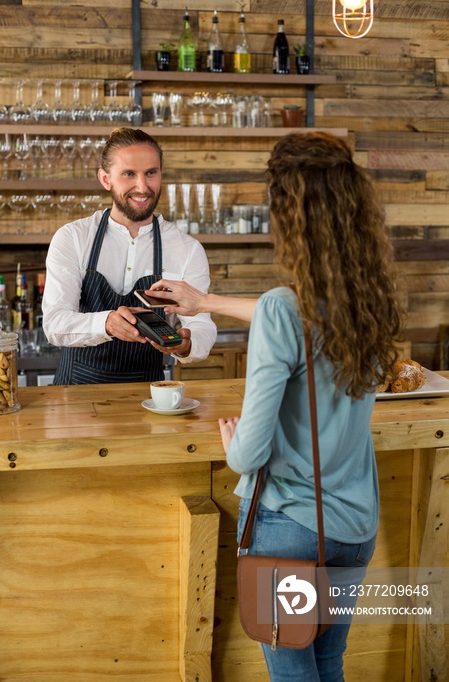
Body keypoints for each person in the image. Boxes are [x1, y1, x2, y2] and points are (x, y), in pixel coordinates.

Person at [148, 132, 403, 681]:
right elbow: (292, 317)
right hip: (355, 525)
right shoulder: (370, 301)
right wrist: (209, 302)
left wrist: (231, 442)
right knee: (327, 665)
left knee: (292, 673)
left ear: (289, 217)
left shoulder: (281, 310)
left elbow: (247, 453)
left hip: (290, 527)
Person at [43, 127, 217, 385]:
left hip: (148, 397)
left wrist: (187, 346)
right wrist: (107, 323)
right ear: (105, 179)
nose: (142, 186)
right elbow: (54, 324)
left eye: (151, 173)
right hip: (75, 397)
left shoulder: (187, 249)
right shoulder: (73, 238)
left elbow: (202, 324)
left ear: (161, 174)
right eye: (128, 174)